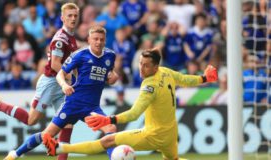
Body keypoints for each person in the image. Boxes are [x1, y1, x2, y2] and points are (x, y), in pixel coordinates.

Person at [42, 48, 218, 160]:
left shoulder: (149, 86)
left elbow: (134, 113)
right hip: (171, 133)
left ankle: (60, 148)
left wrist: (109, 120)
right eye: (140, 63)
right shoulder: (166, 72)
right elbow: (185, 79)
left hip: (153, 134)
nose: (141, 68)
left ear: (155, 67)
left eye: (146, 66)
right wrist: (204, 78)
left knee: (108, 140)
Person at [0, 3, 79, 160]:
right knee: (31, 120)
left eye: (75, 16)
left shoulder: (72, 39)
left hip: (62, 85)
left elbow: (70, 64)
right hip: (52, 82)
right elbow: (55, 64)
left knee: (67, 123)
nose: (73, 18)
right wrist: (69, 79)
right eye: (69, 16)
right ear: (62, 18)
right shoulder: (60, 39)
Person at [3, 25, 119, 160]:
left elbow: (110, 73)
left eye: (101, 39)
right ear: (89, 39)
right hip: (72, 105)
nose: (98, 42)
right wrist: (64, 85)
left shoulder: (110, 55)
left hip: (92, 108)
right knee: (46, 135)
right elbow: (60, 74)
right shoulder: (79, 55)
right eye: (95, 39)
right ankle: (14, 154)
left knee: (110, 129)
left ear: (105, 40)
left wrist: (113, 77)